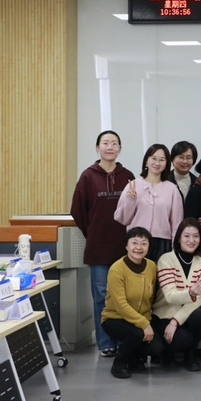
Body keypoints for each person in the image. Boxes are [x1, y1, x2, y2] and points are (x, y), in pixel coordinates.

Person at [70, 130, 136, 358]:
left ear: (120, 148)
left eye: (114, 143)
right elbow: (78, 211)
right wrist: (93, 233)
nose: (110, 147)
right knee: (101, 296)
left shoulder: (128, 175)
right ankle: (106, 342)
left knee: (125, 296)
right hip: (98, 247)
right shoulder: (88, 176)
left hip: (125, 247)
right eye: (105, 143)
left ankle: (124, 340)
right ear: (98, 148)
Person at [101, 228, 165, 379]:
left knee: (157, 348)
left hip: (142, 319)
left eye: (144, 243)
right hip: (115, 318)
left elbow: (153, 297)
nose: (139, 247)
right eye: (134, 243)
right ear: (126, 246)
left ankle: (133, 358)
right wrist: (144, 324)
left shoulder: (151, 266)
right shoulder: (117, 269)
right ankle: (119, 363)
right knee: (137, 334)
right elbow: (120, 305)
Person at [151, 218, 201, 372]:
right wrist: (189, 293)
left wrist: (175, 322)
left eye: (196, 236)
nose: (191, 240)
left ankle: (191, 355)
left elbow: (197, 300)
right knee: (182, 340)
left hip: (184, 315)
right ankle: (167, 351)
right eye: (186, 236)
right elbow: (170, 296)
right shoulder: (166, 259)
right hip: (164, 314)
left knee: (200, 317)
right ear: (178, 238)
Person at [115, 144, 184, 263]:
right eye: (154, 158)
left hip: (162, 242)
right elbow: (122, 219)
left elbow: (176, 224)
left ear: (167, 163)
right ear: (146, 160)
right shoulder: (133, 185)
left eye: (162, 160)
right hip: (137, 241)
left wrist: (175, 249)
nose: (157, 163)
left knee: (160, 274)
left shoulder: (172, 189)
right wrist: (130, 200)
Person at [167, 141, 198, 205]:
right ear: (172, 158)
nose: (185, 161)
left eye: (188, 158)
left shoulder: (197, 182)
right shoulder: (164, 180)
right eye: (181, 157)